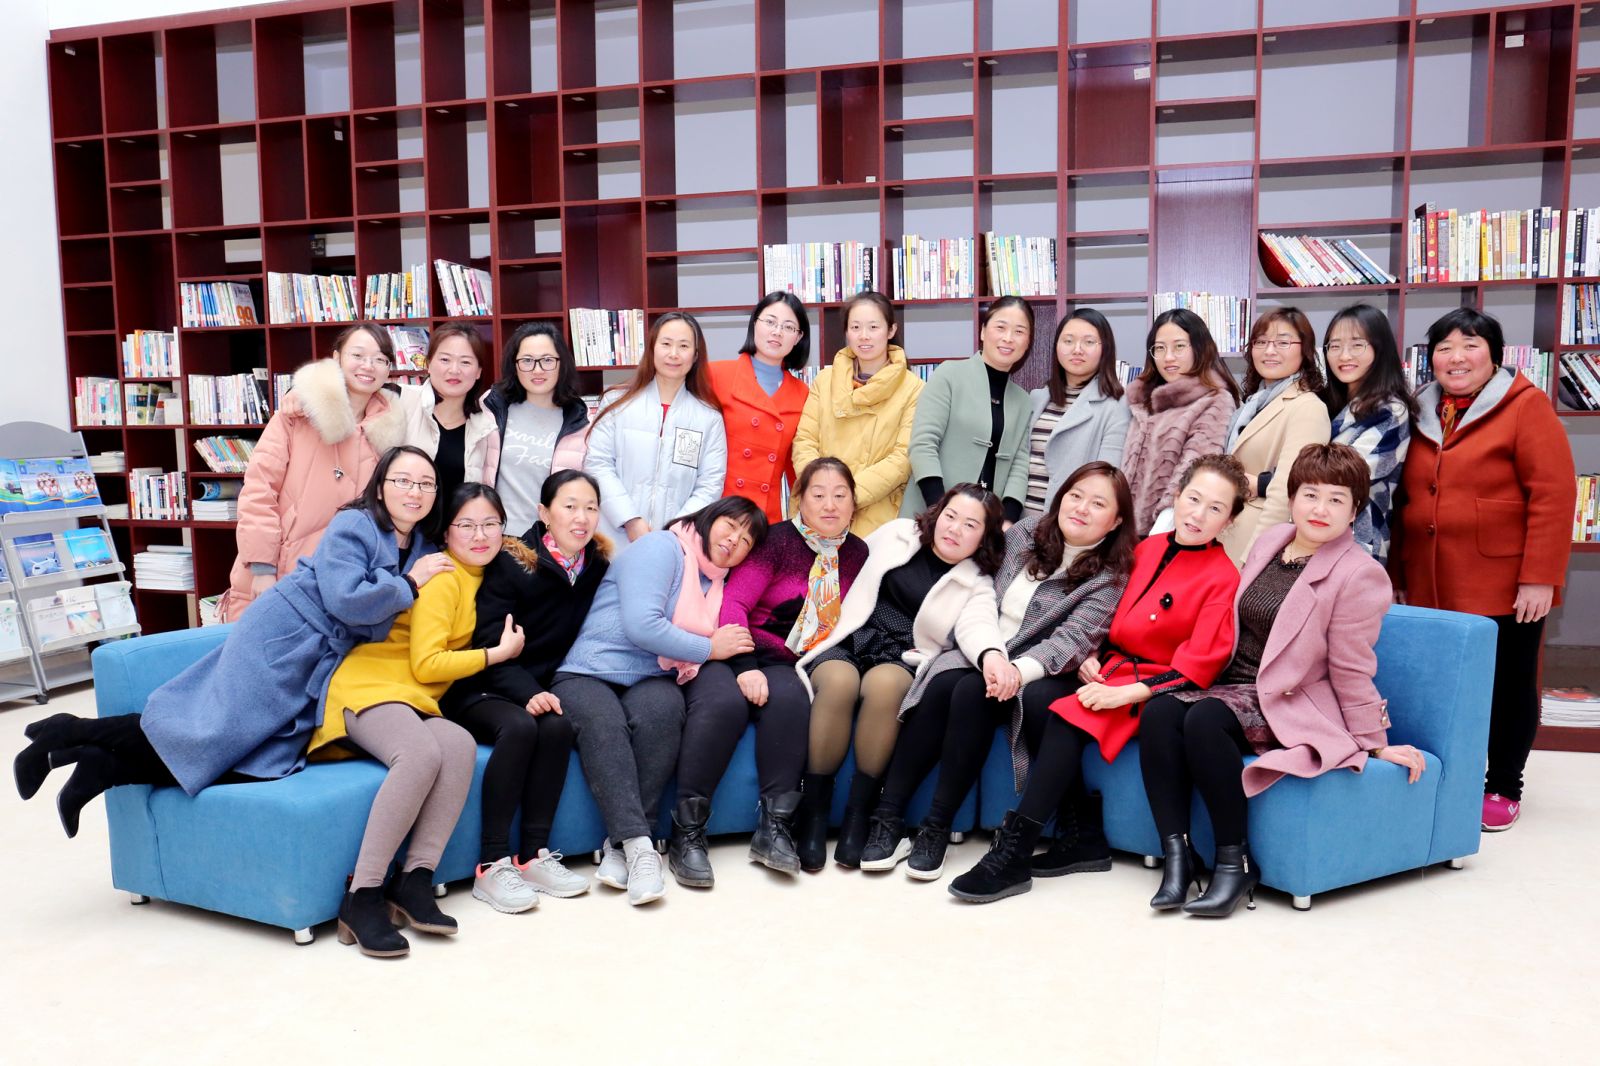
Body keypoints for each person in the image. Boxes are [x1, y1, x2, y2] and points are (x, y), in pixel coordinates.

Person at [15, 447, 451, 835]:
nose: (414, 491)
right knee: (209, 733)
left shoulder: (422, 547)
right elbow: (345, 599)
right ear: (380, 487)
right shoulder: (355, 523)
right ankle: (70, 730)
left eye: (426, 483)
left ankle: (102, 767)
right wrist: (409, 584)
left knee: (258, 760)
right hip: (284, 633)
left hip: (321, 659)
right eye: (403, 480)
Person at [1140, 444, 1425, 917]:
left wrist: (1375, 743)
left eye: (1336, 499)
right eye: (1310, 494)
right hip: (1229, 681)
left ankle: (1234, 863)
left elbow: (1353, 667)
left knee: (1205, 720)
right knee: (1159, 712)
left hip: (1289, 697)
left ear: (1355, 509)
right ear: (1291, 498)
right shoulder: (1272, 540)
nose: (1320, 509)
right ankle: (1179, 858)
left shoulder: (1360, 574)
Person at [950, 456, 1247, 903]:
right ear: (1177, 496)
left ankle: (1015, 851)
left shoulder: (1223, 576)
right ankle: (1082, 835)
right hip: (1111, 670)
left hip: (1160, 688)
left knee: (1066, 717)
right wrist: (1092, 654)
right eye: (1193, 499)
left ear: (1230, 520)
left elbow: (1200, 663)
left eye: (1215, 508)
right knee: (1042, 698)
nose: (1198, 515)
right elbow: (1103, 614)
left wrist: (1124, 693)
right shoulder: (1145, 549)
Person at [867, 463, 1136, 885]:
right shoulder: (1025, 534)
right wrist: (988, 654)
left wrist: (1013, 671)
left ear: (1117, 520)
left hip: (1039, 669)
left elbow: (1070, 641)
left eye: (1098, 503)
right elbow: (979, 592)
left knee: (972, 692)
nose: (1081, 508)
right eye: (1075, 495)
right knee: (941, 683)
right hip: (980, 645)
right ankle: (888, 816)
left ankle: (937, 827)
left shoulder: (1110, 577)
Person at [308, 482, 524, 955]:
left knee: (460, 744)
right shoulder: (445, 578)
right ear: (446, 532)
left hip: (412, 698)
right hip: (369, 686)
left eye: (491, 524)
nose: (480, 535)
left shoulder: (483, 577)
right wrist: (496, 654)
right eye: (467, 524)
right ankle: (362, 895)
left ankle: (415, 882)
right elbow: (427, 664)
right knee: (421, 753)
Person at [1395, 308, 1577, 832]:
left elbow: (1554, 495)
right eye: (1444, 347)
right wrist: (1400, 575)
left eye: (1470, 345)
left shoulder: (1526, 405)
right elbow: (1404, 498)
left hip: (1504, 581)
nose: (1457, 357)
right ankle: (1451, 778)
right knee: (1440, 687)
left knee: (1508, 685)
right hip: (1429, 579)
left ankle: (1503, 785)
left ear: (1495, 356)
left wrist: (1540, 577)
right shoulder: (1421, 409)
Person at [551, 496, 768, 905]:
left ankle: (619, 849)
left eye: (746, 540)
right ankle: (641, 847)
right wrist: (710, 648)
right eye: (730, 525)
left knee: (665, 711)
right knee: (605, 722)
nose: (734, 540)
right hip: (589, 670)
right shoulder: (661, 547)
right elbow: (642, 625)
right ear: (708, 518)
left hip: (652, 674)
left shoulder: (714, 581)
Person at [670, 458, 869, 884]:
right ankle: (687, 831)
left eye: (840, 496)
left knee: (792, 702)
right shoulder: (776, 540)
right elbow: (735, 603)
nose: (830, 505)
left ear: (854, 502)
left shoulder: (858, 553)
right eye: (818, 495)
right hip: (740, 647)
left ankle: (774, 828)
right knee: (724, 705)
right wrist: (744, 666)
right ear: (799, 499)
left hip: (792, 660)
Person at [794, 483, 1006, 868]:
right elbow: (846, 564)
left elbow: (979, 625)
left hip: (903, 654)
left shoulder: (977, 582)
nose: (955, 529)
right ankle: (813, 813)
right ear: (937, 514)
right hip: (851, 634)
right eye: (950, 516)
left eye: (970, 525)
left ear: (985, 537)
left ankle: (859, 814)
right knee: (839, 683)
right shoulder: (897, 534)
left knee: (887, 687)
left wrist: (992, 656)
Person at [442, 470, 611, 912]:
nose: (581, 517)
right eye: (569, 506)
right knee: (520, 727)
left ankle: (534, 856)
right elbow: (487, 642)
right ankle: (491, 864)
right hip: (480, 683)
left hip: (537, 686)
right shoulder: (514, 562)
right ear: (544, 513)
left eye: (591, 508)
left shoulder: (596, 567)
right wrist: (525, 692)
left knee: (558, 727)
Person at [219, 322, 408, 620]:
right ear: (336, 358)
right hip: (279, 572)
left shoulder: (389, 431)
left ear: (388, 370)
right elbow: (258, 491)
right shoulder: (296, 415)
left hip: (343, 583)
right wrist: (263, 568)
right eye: (358, 355)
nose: (368, 366)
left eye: (380, 359)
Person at [584, 312, 727, 551]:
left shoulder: (708, 418)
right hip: (613, 537)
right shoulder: (616, 402)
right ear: (651, 348)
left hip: (674, 545)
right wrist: (630, 519)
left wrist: (673, 533)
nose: (674, 354)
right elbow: (597, 464)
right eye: (666, 344)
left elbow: (710, 484)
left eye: (683, 346)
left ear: (696, 355)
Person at [791, 291, 923, 535]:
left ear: (891, 330)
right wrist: (822, 494)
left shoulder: (913, 388)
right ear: (846, 331)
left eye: (873, 327)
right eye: (855, 327)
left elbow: (902, 458)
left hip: (877, 514)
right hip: (817, 513)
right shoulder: (825, 380)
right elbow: (805, 441)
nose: (864, 335)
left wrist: (847, 496)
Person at [905, 297, 1035, 522]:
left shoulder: (1023, 400)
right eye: (1000, 327)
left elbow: (1019, 465)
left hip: (985, 524)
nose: (1008, 338)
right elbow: (923, 444)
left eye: (1019, 331)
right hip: (929, 515)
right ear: (983, 331)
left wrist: (1007, 522)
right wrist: (940, 511)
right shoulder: (950, 374)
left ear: (1028, 342)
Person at [1219, 307, 1333, 564]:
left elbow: (1287, 491)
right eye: (1261, 342)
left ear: (1305, 350)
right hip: (1229, 531)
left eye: (1283, 342)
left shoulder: (1308, 407)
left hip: (1256, 540)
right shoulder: (1253, 403)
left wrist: (1257, 558)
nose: (1269, 351)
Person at [1121, 308, 1240, 537]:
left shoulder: (1215, 400)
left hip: (1168, 532)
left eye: (1179, 346)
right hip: (1124, 532)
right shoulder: (1141, 400)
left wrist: (1160, 536)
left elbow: (1193, 473)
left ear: (1199, 348)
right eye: (1159, 348)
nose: (1168, 357)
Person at [1322, 304, 1415, 566]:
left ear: (1379, 349)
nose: (1344, 355)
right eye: (1335, 346)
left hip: (1358, 541)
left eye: (1357, 345)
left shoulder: (1390, 410)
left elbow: (1344, 475)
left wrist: (1265, 482)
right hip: (1318, 533)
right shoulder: (1329, 403)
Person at [709, 293, 813, 522]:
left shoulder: (803, 394)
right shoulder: (715, 375)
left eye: (788, 327)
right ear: (754, 323)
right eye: (770, 322)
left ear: (798, 337)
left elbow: (797, 469)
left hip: (765, 519)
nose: (777, 332)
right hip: (717, 512)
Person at [484, 322, 592, 538]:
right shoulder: (492, 406)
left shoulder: (580, 421)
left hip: (551, 541)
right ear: (514, 365)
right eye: (527, 360)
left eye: (547, 360)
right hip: (494, 538)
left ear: (562, 363)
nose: (537, 370)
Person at [1023, 308, 1132, 517]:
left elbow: (1106, 479)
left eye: (1088, 342)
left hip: (1069, 520)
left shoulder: (1117, 405)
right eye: (1068, 341)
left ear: (1105, 349)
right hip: (1019, 520)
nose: (1077, 349)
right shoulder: (1036, 398)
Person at [394, 321, 500, 502]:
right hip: (402, 519)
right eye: (445, 360)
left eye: (465, 362)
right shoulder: (401, 401)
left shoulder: (485, 427)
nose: (454, 370)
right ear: (428, 364)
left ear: (478, 372)